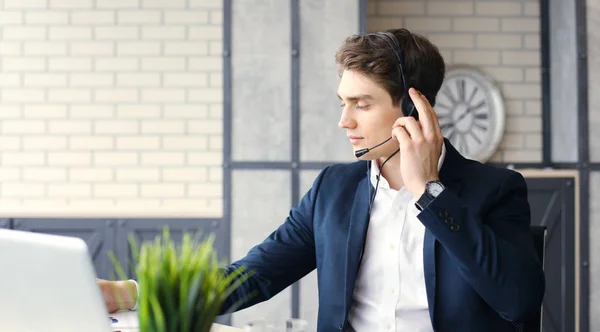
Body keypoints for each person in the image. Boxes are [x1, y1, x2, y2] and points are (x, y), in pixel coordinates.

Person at [98, 28, 545, 331]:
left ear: (413, 109)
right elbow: (254, 275)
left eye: (362, 104)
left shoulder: (495, 189)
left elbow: (518, 301)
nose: (344, 121)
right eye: (342, 103)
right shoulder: (334, 190)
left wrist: (429, 191)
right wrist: (131, 293)